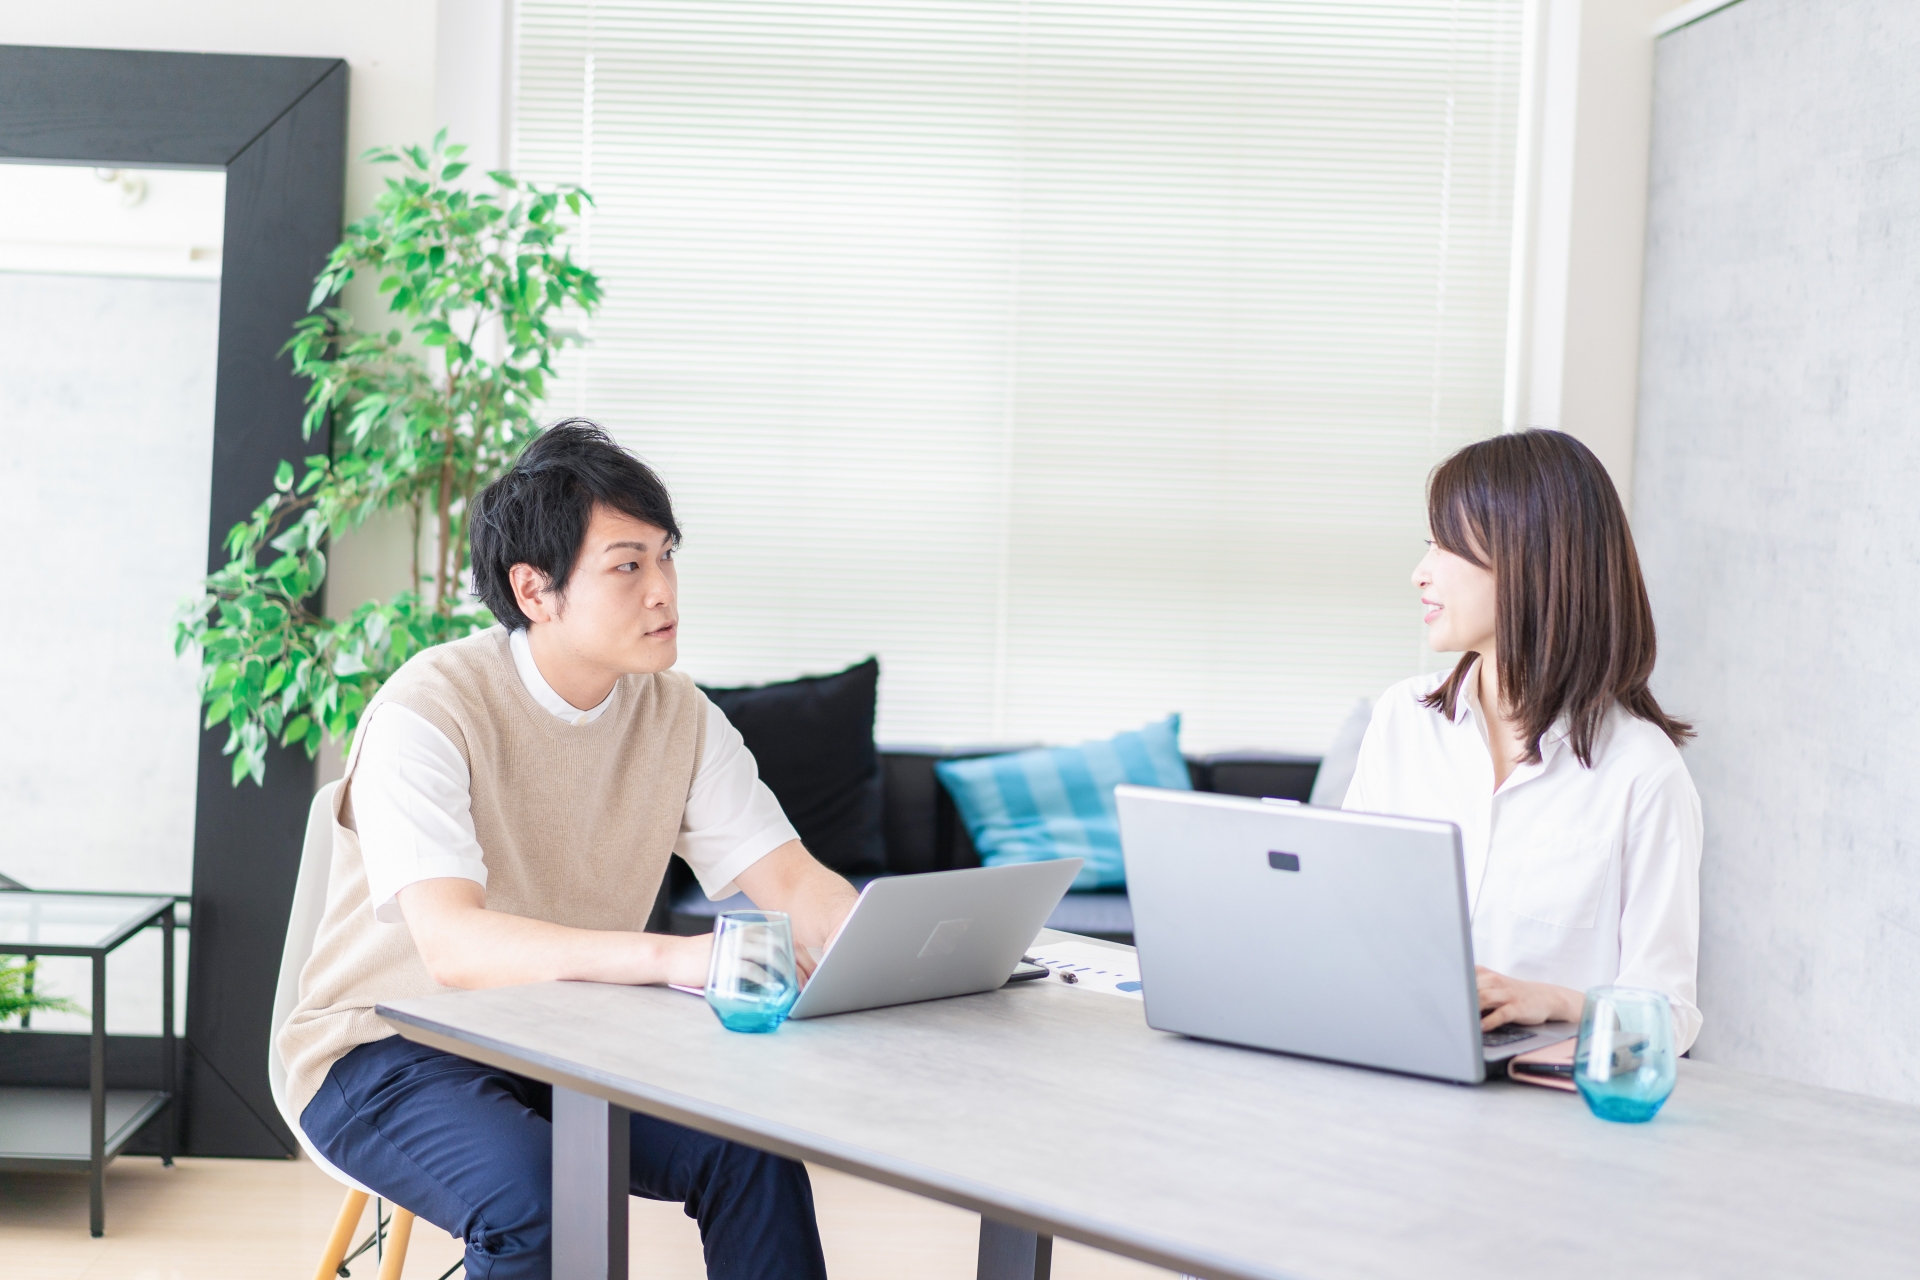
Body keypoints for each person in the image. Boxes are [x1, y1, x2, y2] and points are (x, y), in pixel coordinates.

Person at [280, 421, 858, 1279]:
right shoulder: (429, 709)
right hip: (383, 1049)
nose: (662, 591)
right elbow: (454, 947)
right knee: (537, 1202)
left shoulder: (679, 716)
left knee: (752, 1152)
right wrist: (678, 959)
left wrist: (887, 947)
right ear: (535, 590)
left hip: (568, 1043)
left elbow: (792, 880)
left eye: (666, 557)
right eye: (628, 566)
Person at [1342, 429, 1704, 1052]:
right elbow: (1344, 919)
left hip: (1537, 1094)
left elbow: (1669, 1017)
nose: (1419, 574)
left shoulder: (1644, 772)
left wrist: (1553, 1002)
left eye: (1443, 546)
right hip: (1387, 1056)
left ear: (1525, 561)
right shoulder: (1402, 720)